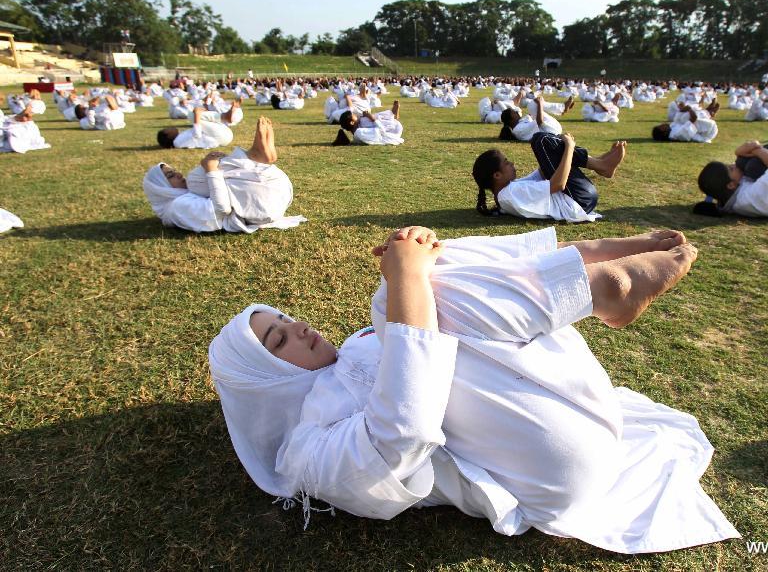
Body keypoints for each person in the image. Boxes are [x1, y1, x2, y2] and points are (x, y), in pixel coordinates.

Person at [208, 224, 740, 554]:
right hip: (555, 473)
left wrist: (413, 266)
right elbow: (402, 434)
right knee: (400, 293)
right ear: (267, 383)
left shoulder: (357, 346)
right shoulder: (307, 451)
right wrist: (406, 283)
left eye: (287, 319)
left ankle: (591, 262)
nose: (299, 328)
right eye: (279, 341)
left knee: (415, 284)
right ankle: (599, 281)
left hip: (581, 404)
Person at [144, 117, 305, 233]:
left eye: (174, 171)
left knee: (204, 176)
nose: (178, 174)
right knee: (196, 178)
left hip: (272, 195)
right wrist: (211, 170)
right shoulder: (176, 207)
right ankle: (253, 156)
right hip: (263, 206)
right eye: (171, 175)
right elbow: (221, 208)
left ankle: (255, 158)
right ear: (161, 189)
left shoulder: (178, 203)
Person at [472, 132, 626, 222]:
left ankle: (600, 163)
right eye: (506, 163)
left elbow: (543, 173)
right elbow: (557, 184)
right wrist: (569, 147)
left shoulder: (507, 192)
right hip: (578, 200)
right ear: (497, 175)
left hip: (577, 199)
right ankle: (602, 166)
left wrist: (551, 155)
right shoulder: (511, 194)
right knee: (541, 140)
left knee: (543, 142)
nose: (512, 164)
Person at [157, 106, 234, 150]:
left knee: (195, 115)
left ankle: (224, 117)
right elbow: (197, 135)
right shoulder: (177, 142)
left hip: (224, 136)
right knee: (192, 115)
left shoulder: (178, 140)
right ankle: (224, 117)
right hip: (222, 137)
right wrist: (197, 113)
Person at [333, 99, 404, 146]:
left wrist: (366, 116)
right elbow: (381, 131)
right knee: (367, 120)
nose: (356, 115)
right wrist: (371, 118)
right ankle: (392, 116)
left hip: (390, 128)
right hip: (393, 133)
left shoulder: (358, 128)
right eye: (354, 115)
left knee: (364, 120)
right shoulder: (359, 132)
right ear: (352, 122)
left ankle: (392, 115)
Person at [652, 100, 719, 143]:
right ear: (663, 130)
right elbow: (694, 118)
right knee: (686, 117)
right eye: (661, 126)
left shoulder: (671, 129)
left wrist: (682, 109)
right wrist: (689, 109)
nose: (663, 124)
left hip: (701, 129)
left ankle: (708, 111)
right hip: (708, 132)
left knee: (683, 116)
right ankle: (710, 113)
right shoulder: (678, 134)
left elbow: (677, 120)